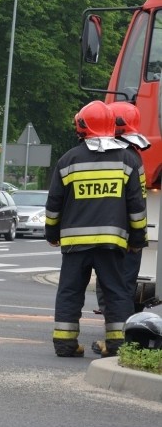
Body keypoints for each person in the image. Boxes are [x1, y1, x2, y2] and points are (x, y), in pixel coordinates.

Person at [45, 100, 147, 358]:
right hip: (112, 243)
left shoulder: (68, 160)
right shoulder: (127, 161)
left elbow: (54, 204)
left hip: (75, 244)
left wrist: (52, 234)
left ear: (82, 126)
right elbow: (136, 207)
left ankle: (65, 345)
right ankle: (117, 345)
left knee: (70, 291)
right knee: (116, 292)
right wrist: (137, 239)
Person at [93, 101, 150, 326]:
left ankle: (118, 341)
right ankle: (120, 339)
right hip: (129, 236)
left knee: (113, 290)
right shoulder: (134, 155)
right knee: (122, 288)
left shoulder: (120, 157)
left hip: (119, 237)